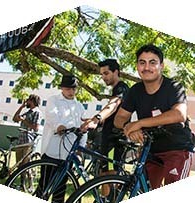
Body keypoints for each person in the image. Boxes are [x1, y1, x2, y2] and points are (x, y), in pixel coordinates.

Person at [114, 44, 194, 189]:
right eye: (142, 62)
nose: (147, 67)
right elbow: (119, 118)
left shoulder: (174, 87)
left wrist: (139, 123)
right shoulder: (135, 91)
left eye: (153, 62)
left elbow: (179, 114)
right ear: (137, 66)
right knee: (144, 190)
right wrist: (129, 127)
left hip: (177, 148)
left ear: (161, 66)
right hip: (150, 150)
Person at [38, 74, 87, 203]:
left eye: (73, 89)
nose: (71, 92)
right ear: (62, 88)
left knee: (60, 188)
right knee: (44, 185)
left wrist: (81, 148)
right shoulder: (53, 100)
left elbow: (83, 128)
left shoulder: (79, 106)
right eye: (68, 89)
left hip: (68, 153)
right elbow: (50, 115)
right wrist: (58, 126)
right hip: (51, 150)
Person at [81, 59, 129, 175]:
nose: (103, 77)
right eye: (102, 74)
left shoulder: (121, 88)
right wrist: (94, 120)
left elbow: (113, 105)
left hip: (115, 140)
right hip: (108, 140)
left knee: (109, 175)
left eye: (106, 73)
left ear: (116, 72)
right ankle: (105, 194)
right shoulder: (116, 89)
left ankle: (110, 194)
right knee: (103, 173)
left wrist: (97, 118)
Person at [13, 94, 42, 167]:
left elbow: (35, 128)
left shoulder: (37, 112)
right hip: (21, 139)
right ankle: (24, 177)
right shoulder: (28, 112)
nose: (26, 102)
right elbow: (14, 118)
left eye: (28, 100)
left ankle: (26, 177)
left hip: (28, 140)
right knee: (19, 164)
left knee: (25, 164)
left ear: (32, 101)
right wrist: (21, 107)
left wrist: (24, 120)